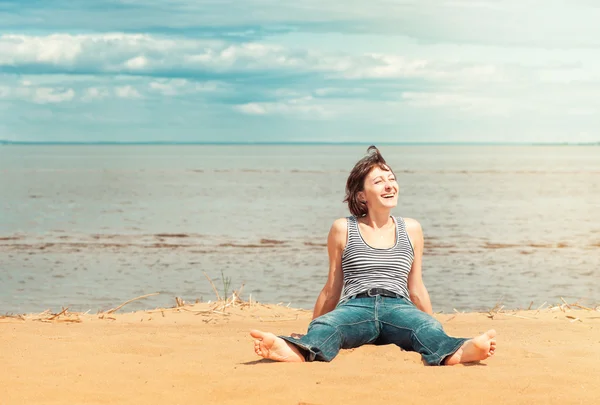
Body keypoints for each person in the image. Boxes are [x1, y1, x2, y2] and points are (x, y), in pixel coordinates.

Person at [250, 146, 496, 365]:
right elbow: (332, 288)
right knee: (327, 326)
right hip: (356, 306)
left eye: (392, 178)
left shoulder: (411, 229)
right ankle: (297, 350)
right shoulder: (342, 228)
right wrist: (310, 330)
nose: (389, 185)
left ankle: (460, 352)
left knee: (425, 327)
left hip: (399, 306)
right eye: (379, 181)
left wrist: (435, 326)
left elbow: (417, 287)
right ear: (361, 195)